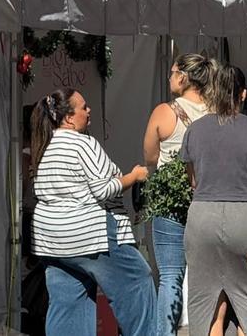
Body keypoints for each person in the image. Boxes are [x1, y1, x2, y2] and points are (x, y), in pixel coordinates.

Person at [30, 89, 155, 335]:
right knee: (138, 282)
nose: (89, 111)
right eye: (84, 107)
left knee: (68, 305)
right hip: (91, 234)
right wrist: (134, 176)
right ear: (68, 118)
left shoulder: (43, 146)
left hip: (53, 241)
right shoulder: (83, 143)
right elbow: (103, 190)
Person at [181, 65, 247, 336]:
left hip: (203, 216)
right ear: (243, 94)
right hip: (246, 216)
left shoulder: (194, 130)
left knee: (208, 304)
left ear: (211, 91)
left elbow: (193, 180)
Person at [144, 53, 214, 336]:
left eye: (173, 72)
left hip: (170, 205)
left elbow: (150, 157)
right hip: (206, 201)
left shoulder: (165, 112)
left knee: (170, 276)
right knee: (207, 277)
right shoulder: (216, 112)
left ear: (183, 77)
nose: (169, 77)